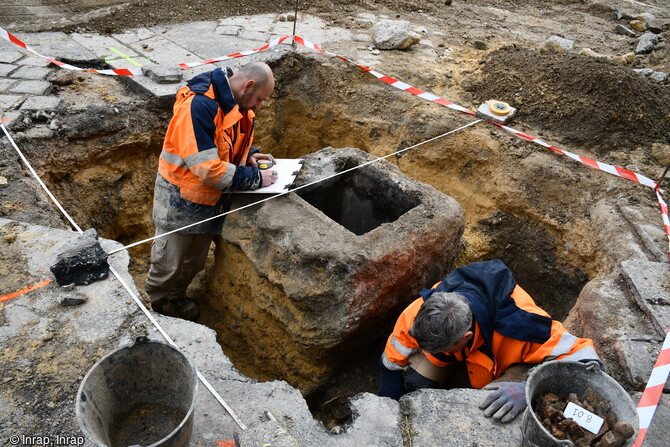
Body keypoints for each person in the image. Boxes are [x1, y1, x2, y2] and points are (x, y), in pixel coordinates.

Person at [378, 259, 601, 423]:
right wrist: (387, 410)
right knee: (416, 381)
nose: (424, 349)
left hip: (505, 357)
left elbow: (588, 361)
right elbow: (390, 362)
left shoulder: (523, 325)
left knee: (489, 407)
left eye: (441, 348)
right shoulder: (421, 312)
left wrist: (526, 389)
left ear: (465, 338)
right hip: (468, 343)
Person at [144, 62, 278, 320]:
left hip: (210, 202)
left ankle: (177, 297)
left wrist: (249, 155)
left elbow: (222, 144)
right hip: (179, 201)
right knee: (167, 264)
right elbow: (208, 168)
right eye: (260, 99)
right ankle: (155, 309)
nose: (260, 105)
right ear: (248, 85)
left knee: (193, 262)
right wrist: (255, 178)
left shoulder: (236, 105)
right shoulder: (199, 106)